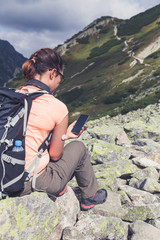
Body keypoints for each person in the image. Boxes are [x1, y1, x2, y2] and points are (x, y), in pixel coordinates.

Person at [19, 48, 107, 210]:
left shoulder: (12, 96)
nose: (60, 82)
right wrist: (64, 138)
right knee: (78, 147)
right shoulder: (56, 107)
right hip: (25, 182)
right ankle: (90, 196)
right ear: (53, 73)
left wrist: (63, 135)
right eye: (61, 77)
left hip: (4, 175)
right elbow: (55, 154)